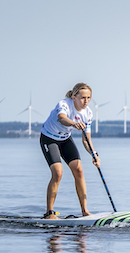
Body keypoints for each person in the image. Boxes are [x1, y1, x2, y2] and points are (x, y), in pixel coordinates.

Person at [40, 83, 100, 219]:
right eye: (83, 98)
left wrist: (94, 154)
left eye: (89, 98)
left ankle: (85, 211)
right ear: (74, 97)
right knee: (58, 173)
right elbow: (62, 118)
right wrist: (74, 123)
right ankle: (49, 213)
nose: (86, 101)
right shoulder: (64, 104)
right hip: (49, 139)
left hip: (65, 140)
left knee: (79, 169)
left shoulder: (88, 113)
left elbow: (86, 140)